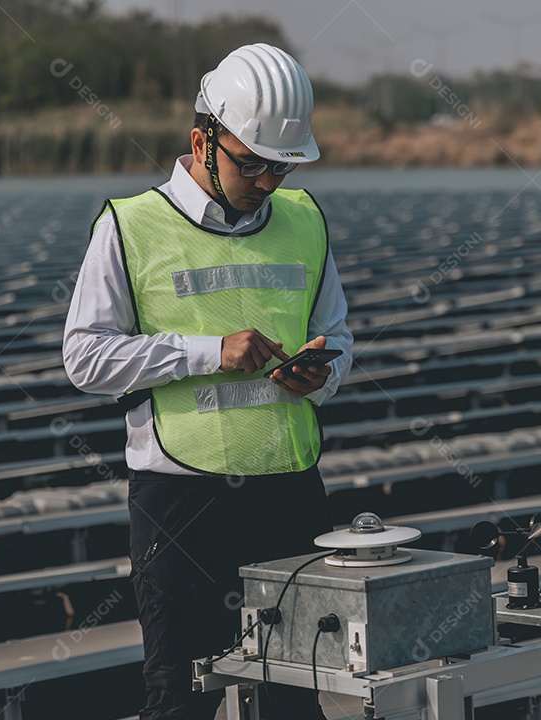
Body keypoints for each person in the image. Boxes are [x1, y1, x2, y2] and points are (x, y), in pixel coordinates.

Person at [62, 43, 353, 720]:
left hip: (291, 491)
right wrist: (205, 352)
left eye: (281, 166)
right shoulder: (130, 227)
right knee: (182, 698)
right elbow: (85, 358)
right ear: (202, 140)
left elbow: (338, 338)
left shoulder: (305, 221)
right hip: (182, 504)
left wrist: (322, 375)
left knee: (297, 692)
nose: (269, 183)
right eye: (252, 164)